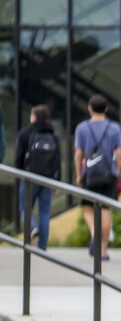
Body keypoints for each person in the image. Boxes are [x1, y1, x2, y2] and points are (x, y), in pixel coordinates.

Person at [74, 95, 121, 261]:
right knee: (106, 211)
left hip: (90, 174)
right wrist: (118, 173)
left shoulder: (82, 128)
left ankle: (94, 233)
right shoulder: (114, 128)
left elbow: (78, 153)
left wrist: (78, 175)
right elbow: (118, 154)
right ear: (107, 109)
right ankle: (102, 251)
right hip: (108, 174)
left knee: (88, 209)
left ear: (89, 107)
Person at [14, 105, 62, 250]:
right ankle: (42, 248)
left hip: (28, 177)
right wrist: (57, 181)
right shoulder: (53, 135)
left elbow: (18, 158)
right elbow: (57, 160)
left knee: (25, 207)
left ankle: (32, 228)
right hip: (47, 178)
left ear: (33, 117)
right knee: (45, 212)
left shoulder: (25, 133)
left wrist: (18, 175)